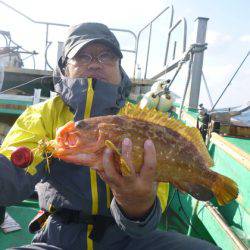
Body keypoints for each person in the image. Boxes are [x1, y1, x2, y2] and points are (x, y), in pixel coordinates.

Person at [0, 22, 220, 250]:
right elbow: (11, 178)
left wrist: (137, 202)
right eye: (82, 56)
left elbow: (144, 226)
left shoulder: (141, 122)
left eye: (106, 56)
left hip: (129, 241)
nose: (95, 64)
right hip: (58, 239)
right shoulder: (42, 115)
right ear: (65, 67)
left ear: (119, 67)